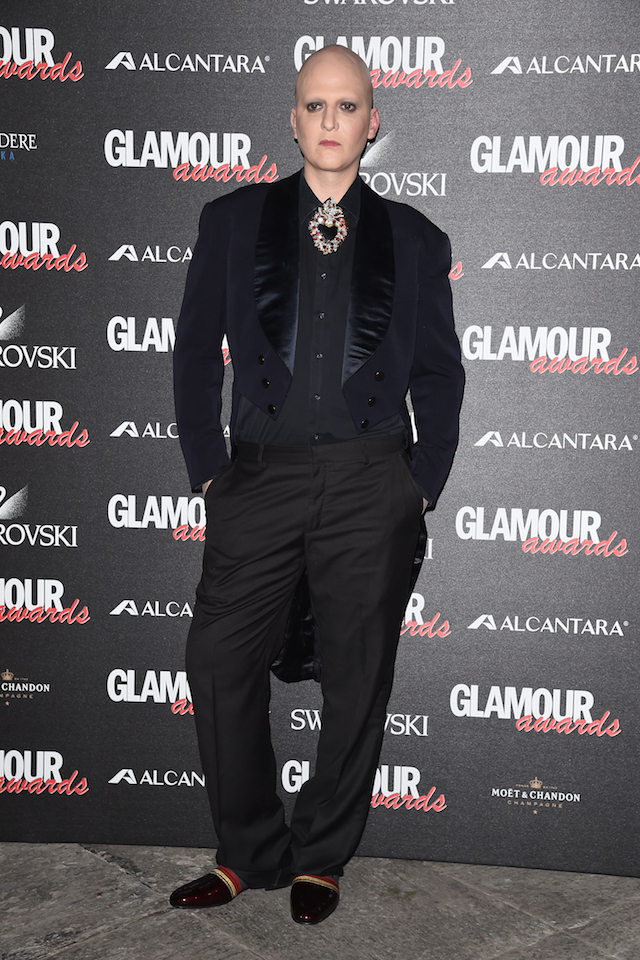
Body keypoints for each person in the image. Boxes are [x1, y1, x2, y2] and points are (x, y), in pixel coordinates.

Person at [170, 44, 464, 925]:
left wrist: (419, 484)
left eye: (347, 106)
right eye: (315, 105)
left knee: (358, 678)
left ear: (372, 122)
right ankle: (249, 851)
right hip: (258, 481)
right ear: (293, 119)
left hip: (371, 484)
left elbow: (439, 374)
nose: (330, 120)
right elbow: (195, 352)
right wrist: (209, 473)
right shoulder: (232, 221)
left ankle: (321, 858)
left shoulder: (416, 238)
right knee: (217, 660)